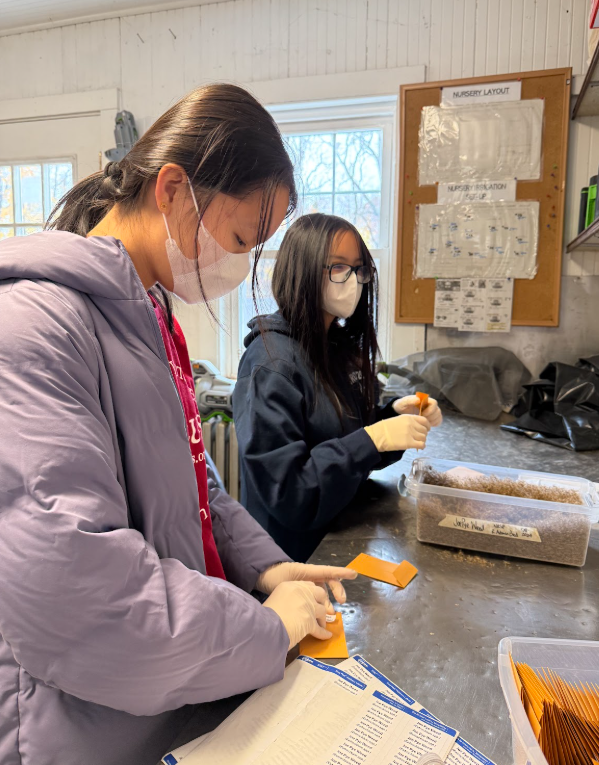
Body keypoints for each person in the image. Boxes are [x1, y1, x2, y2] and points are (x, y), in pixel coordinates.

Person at [0, 85, 357, 765]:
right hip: (72, 731)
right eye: (241, 239)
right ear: (171, 190)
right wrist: (263, 632)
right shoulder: (32, 327)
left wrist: (267, 567)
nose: (240, 266)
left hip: (161, 709)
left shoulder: (150, 315)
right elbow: (76, 594)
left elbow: (199, 488)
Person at [233, 213, 442, 561]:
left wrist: (391, 418)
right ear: (302, 270)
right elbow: (290, 494)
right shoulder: (273, 365)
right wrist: (373, 439)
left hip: (339, 533)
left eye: (359, 269)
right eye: (338, 267)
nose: (354, 281)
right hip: (292, 559)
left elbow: (346, 440)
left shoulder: (335, 346)